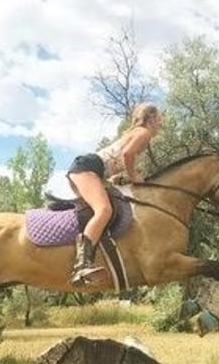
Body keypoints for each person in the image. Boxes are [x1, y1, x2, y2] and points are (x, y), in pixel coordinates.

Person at [66, 103, 163, 285]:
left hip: (92, 170)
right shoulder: (144, 133)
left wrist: (121, 178)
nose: (160, 124)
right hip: (88, 169)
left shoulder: (136, 133)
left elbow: (117, 162)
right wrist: (134, 176)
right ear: (150, 119)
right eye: (159, 120)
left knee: (106, 208)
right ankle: (82, 265)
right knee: (104, 210)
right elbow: (127, 154)